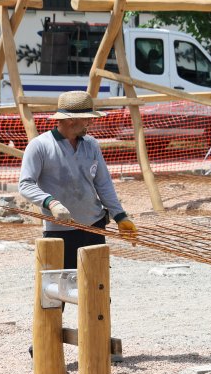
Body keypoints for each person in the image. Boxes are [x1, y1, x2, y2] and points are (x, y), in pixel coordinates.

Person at [19, 91, 138, 270]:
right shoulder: (40, 146)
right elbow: (25, 184)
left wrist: (120, 216)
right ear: (70, 120)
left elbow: (103, 183)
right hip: (59, 232)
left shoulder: (91, 145)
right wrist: (51, 203)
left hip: (94, 227)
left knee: (97, 289)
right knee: (57, 290)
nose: (91, 122)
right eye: (86, 118)